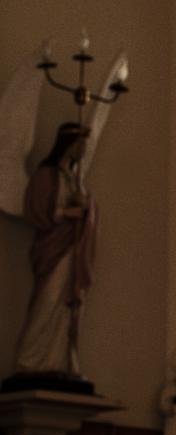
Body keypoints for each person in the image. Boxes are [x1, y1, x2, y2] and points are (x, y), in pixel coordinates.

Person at [13, 123, 96, 382]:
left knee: (67, 308)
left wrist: (86, 208)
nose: (83, 150)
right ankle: (30, 361)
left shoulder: (75, 180)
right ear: (69, 143)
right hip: (53, 251)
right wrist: (66, 213)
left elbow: (86, 212)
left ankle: (60, 362)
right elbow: (36, 211)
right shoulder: (46, 175)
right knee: (47, 302)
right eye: (80, 143)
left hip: (72, 248)